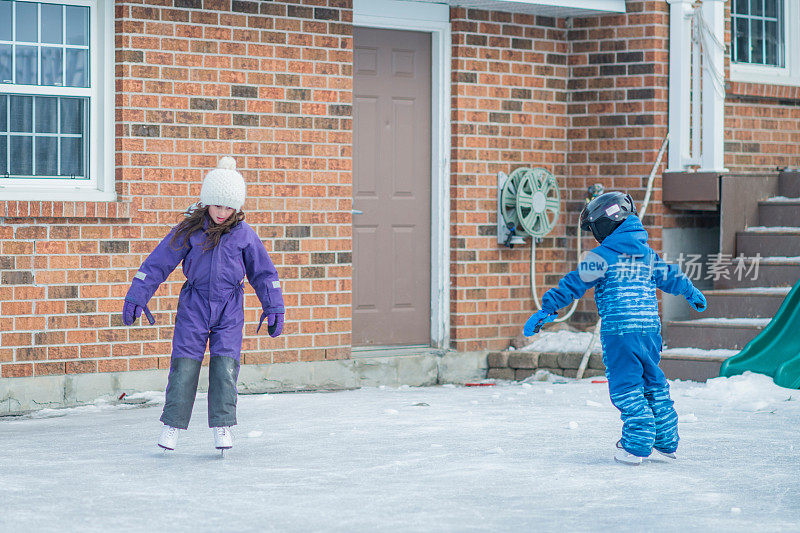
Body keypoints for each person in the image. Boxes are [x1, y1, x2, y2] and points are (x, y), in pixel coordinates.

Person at [523, 192, 707, 465]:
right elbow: (671, 275)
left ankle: (637, 442)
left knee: (626, 384)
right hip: (649, 331)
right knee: (653, 381)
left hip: (621, 332)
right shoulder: (647, 254)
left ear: (606, 225)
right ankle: (666, 439)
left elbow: (573, 284)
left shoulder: (602, 256)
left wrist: (548, 308)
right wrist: (690, 291)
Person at [122, 157, 285, 452]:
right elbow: (158, 262)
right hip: (194, 305)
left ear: (236, 206)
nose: (222, 212)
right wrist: (138, 293)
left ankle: (222, 427)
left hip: (229, 307)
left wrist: (273, 306)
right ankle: (172, 426)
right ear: (207, 201)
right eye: (217, 205)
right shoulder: (189, 231)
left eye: (228, 206)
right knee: (184, 367)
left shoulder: (245, 235)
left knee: (224, 368)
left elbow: (264, 273)